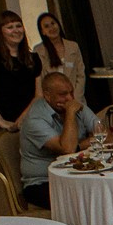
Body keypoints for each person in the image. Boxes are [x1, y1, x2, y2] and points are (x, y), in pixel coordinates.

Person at [17, 71, 97, 208]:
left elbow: (105, 134)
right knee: (85, 201)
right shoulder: (35, 118)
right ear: (47, 96)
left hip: (75, 175)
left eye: (71, 93)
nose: (69, 98)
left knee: (97, 194)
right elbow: (67, 149)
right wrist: (70, 113)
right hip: (42, 183)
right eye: (63, 94)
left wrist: (78, 146)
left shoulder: (73, 104)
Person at [32, 9, 86, 110]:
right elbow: (42, 81)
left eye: (53, 23)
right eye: (47, 26)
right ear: (42, 31)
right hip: (53, 104)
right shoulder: (39, 51)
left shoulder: (73, 46)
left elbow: (81, 75)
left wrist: (74, 98)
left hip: (76, 99)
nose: (52, 28)